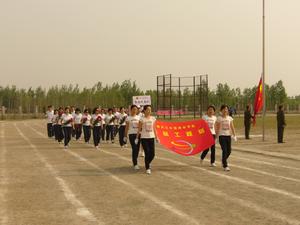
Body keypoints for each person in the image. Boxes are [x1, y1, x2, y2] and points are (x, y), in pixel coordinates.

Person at [136, 105, 158, 175]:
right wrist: (137, 138)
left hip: (151, 137)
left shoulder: (153, 118)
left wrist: (157, 137)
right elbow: (139, 129)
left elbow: (154, 128)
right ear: (144, 110)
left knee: (153, 154)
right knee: (147, 152)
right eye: (148, 109)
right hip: (144, 138)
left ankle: (147, 163)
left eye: (150, 110)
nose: (149, 111)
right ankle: (147, 168)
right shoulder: (141, 119)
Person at [216, 104, 237, 172]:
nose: (225, 110)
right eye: (224, 109)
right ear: (221, 110)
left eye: (226, 109)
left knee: (229, 151)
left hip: (228, 136)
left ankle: (223, 160)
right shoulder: (219, 118)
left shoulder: (229, 118)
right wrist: (216, 137)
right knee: (224, 150)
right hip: (222, 136)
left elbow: (232, 127)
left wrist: (234, 135)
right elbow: (218, 128)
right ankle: (225, 165)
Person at [124, 105, 141, 170]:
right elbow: (126, 127)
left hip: (138, 134)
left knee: (137, 149)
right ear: (131, 110)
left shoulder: (139, 117)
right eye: (133, 109)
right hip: (131, 134)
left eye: (136, 109)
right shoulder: (128, 118)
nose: (135, 110)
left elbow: (140, 127)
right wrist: (125, 136)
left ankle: (135, 160)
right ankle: (135, 163)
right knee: (134, 148)